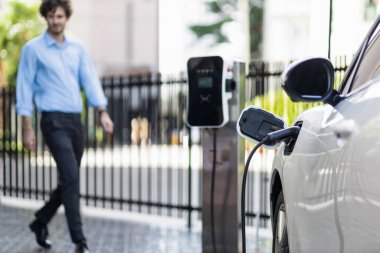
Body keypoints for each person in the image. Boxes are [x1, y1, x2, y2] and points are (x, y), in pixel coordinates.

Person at [15, 0, 114, 252]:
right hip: (52, 121)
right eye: (51, 16)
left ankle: (40, 221)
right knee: (70, 177)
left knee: (69, 180)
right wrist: (27, 128)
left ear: (66, 17)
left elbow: (90, 80)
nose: (55, 21)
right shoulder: (33, 49)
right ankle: (79, 240)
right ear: (45, 18)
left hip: (75, 122)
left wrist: (102, 111)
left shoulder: (77, 47)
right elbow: (24, 88)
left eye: (59, 16)